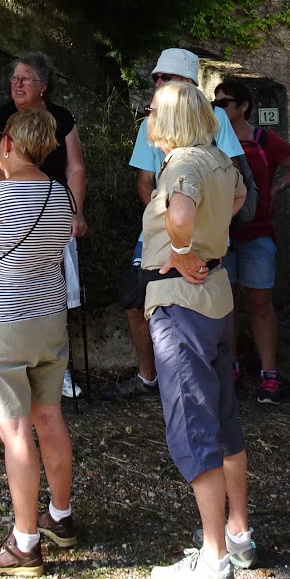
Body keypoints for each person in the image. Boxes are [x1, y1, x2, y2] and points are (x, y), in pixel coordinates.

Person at [0, 107, 79, 576]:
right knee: (50, 417)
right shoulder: (62, 196)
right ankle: (60, 517)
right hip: (50, 319)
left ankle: (24, 543)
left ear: (7, 144)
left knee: (15, 431)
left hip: (3, 325)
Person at [140, 81, 251, 579]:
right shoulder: (218, 159)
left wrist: (184, 251)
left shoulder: (182, 165)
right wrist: (208, 241)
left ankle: (214, 560)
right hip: (216, 296)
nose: (147, 118)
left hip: (182, 301)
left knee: (193, 423)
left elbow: (180, 216)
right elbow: (240, 196)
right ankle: (237, 535)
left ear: (167, 120)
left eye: (151, 111)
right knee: (223, 420)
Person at [104, 48, 245, 401]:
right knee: (136, 298)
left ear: (186, 82)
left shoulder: (215, 118)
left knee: (205, 296)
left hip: (196, 232)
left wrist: (197, 228)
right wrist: (165, 227)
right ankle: (151, 376)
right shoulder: (151, 121)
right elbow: (145, 182)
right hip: (169, 229)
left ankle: (209, 377)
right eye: (156, 77)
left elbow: (233, 177)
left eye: (164, 77)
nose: (157, 83)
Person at [0, 52, 88, 399]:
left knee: (57, 293)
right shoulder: (2, 118)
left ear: (43, 86)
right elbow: (1, 172)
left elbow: (76, 168)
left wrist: (76, 212)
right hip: (17, 214)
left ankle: (57, 367)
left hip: (57, 211)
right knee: (20, 291)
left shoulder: (62, 118)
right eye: (14, 78)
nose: (16, 84)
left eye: (25, 78)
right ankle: (19, 367)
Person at [212, 77, 290, 403]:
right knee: (226, 305)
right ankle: (231, 366)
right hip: (222, 236)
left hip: (257, 233)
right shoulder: (211, 139)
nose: (218, 108)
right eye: (215, 103)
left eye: (224, 102)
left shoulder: (263, 139)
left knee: (260, 304)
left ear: (243, 106)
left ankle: (269, 375)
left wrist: (276, 189)